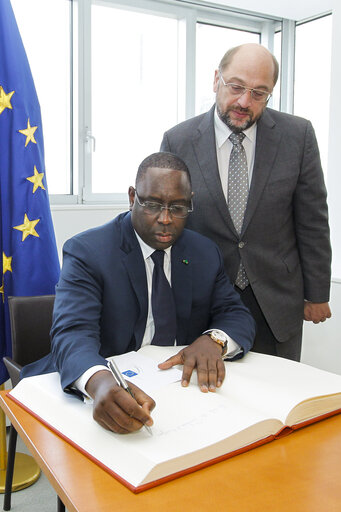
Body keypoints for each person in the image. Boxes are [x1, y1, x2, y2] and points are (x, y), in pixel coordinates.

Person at [22, 152, 255, 434]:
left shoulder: (203, 252)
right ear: (133, 197)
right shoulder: (88, 251)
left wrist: (214, 340)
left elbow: (235, 314)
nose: (166, 219)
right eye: (153, 205)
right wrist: (99, 381)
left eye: (178, 207)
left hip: (179, 392)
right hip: (109, 387)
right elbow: (71, 334)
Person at [160, 43, 332, 362]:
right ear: (216, 80)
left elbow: (313, 222)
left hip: (276, 303)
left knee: (278, 400)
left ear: (270, 94)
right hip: (203, 301)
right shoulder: (178, 140)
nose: (243, 101)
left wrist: (317, 293)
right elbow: (167, 221)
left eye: (258, 93)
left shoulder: (298, 136)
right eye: (236, 87)